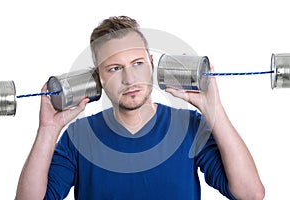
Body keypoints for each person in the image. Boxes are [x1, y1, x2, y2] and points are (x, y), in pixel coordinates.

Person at [15, 16, 265, 200]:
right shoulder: (79, 136)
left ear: (151, 64)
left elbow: (251, 194)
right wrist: (48, 129)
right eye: (114, 68)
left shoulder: (188, 125)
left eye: (137, 63)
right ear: (99, 78)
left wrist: (214, 109)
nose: (130, 79)